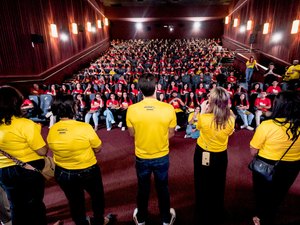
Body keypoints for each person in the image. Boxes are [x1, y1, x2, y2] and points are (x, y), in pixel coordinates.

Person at [47, 94, 112, 225]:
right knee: (97, 197)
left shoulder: (52, 129)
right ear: (72, 108)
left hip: (63, 173)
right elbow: (98, 148)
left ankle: (81, 222)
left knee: (75, 201)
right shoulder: (84, 127)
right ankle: (99, 221)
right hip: (88, 170)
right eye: (75, 105)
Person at [126, 74, 177, 225]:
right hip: (162, 155)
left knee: (143, 188)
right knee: (163, 187)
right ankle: (166, 220)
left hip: (142, 156)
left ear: (140, 90)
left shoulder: (132, 110)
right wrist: (159, 137)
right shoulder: (168, 108)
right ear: (156, 88)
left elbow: (132, 133)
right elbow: (172, 133)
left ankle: (141, 219)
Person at [249, 91, 300, 225]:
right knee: (279, 192)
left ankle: (262, 217)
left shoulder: (267, 126)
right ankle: (270, 213)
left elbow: (253, 151)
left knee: (262, 193)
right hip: (293, 165)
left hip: (266, 164)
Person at [0, 85, 48, 225]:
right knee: (35, 205)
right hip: (29, 169)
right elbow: (42, 151)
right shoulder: (25, 124)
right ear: (15, 103)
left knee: (16, 206)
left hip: (4, 170)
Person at [194, 87, 235, 225]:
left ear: (211, 102)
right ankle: (217, 210)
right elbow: (229, 133)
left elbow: (198, 127)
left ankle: (202, 211)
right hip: (221, 155)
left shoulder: (204, 118)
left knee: (201, 182)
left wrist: (203, 110)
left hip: (203, 152)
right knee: (218, 183)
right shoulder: (231, 119)